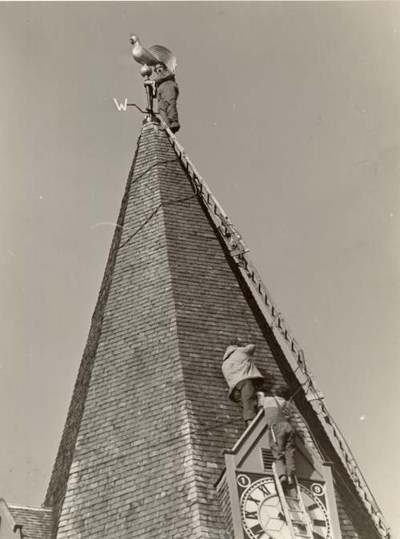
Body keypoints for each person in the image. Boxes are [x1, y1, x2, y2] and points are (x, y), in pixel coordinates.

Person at [260, 385, 296, 489]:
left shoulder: (268, 400)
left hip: (276, 427)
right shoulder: (288, 404)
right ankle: (290, 476)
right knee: (290, 452)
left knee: (277, 452)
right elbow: (289, 416)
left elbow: (259, 402)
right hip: (288, 427)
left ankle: (282, 475)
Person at [221, 338, 264, 426]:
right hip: (245, 382)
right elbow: (252, 347)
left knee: (246, 403)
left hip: (234, 389)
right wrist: (242, 346)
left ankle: (255, 405)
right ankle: (251, 425)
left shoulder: (224, 362)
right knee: (249, 404)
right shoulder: (240, 351)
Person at [153, 63, 180, 133]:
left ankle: (174, 122)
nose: (158, 69)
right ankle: (167, 125)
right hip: (162, 94)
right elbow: (154, 94)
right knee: (161, 108)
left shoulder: (166, 73)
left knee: (170, 105)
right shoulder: (158, 81)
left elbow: (165, 76)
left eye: (160, 67)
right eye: (157, 68)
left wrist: (153, 81)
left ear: (164, 68)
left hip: (169, 88)